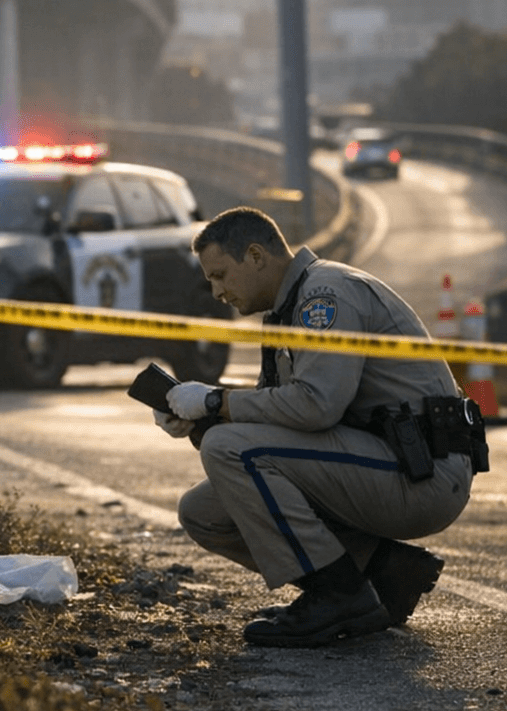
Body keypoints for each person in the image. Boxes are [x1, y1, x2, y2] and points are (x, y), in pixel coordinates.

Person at [156, 207, 483, 647]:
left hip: (421, 473)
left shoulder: (324, 296)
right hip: (384, 462)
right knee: (204, 512)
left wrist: (217, 402)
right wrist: (201, 411)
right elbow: (276, 412)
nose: (216, 292)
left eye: (220, 275)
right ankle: (383, 571)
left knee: (229, 448)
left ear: (255, 256)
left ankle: (339, 595)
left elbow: (316, 407)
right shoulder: (286, 310)